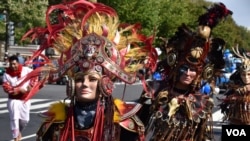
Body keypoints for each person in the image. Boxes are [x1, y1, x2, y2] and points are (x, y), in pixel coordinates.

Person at [20, 0, 157, 141]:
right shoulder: (55, 123)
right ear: (71, 85)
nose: (84, 84)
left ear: (105, 84)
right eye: (79, 80)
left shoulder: (123, 124)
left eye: (92, 79)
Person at [137, 3, 232, 141]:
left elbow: (202, 136)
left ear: (200, 73)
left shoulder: (202, 102)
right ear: (175, 67)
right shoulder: (155, 90)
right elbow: (137, 127)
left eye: (193, 70)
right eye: (184, 68)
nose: (188, 73)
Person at [2, 55, 37, 141]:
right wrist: (19, 90)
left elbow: (35, 75)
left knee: (25, 120)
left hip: (25, 100)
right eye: (11, 64)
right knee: (14, 118)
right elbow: (7, 88)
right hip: (13, 100)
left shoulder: (26, 70)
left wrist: (31, 85)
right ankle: (16, 137)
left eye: (14, 64)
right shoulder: (6, 74)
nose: (13, 66)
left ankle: (18, 132)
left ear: (18, 63)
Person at [219, 46, 250, 125]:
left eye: (249, 74)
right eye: (243, 74)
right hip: (236, 122)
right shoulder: (234, 86)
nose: (246, 77)